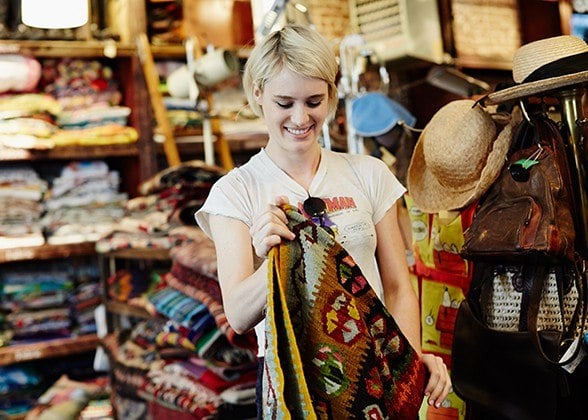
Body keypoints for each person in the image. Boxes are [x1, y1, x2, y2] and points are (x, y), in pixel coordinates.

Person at [195, 25, 452, 416]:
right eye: (285, 102)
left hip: (375, 369)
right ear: (259, 94)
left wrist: (408, 366)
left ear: (331, 96)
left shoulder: (370, 174)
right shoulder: (236, 192)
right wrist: (274, 261)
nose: (301, 117)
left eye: (314, 101)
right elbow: (238, 315)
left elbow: (399, 288)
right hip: (293, 376)